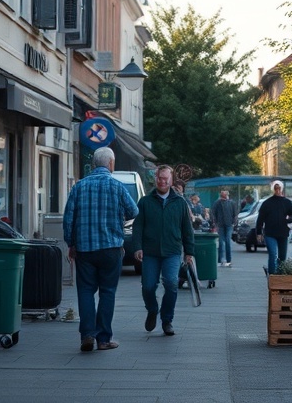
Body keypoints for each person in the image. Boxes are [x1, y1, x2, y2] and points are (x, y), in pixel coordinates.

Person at [61, 146, 138, 352]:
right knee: (107, 292)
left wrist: (71, 244)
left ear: (95, 163)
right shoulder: (117, 187)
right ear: (111, 163)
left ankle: (87, 335)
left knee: (85, 291)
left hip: (85, 249)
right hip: (111, 248)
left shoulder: (79, 187)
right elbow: (133, 211)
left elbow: (68, 218)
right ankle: (104, 339)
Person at [133, 165, 195, 337]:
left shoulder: (180, 203)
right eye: (160, 178)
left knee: (171, 283)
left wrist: (189, 252)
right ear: (156, 179)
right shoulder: (145, 202)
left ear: (171, 180)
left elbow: (186, 229)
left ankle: (167, 320)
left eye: (166, 179)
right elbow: (138, 227)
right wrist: (137, 247)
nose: (162, 182)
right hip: (150, 252)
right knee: (148, 286)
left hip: (172, 251)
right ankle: (152, 309)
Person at [255, 180, 292, 274]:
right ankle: (272, 276)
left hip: (283, 233)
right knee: (273, 254)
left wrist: (288, 219)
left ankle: (281, 276)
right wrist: (258, 233)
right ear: (273, 189)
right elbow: (260, 219)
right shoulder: (267, 203)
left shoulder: (287, 202)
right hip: (270, 233)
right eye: (275, 188)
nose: (277, 190)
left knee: (282, 257)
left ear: (281, 189)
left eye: (279, 188)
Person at [210, 190, 238, 267]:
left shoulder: (231, 203)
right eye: (222, 195)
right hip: (221, 225)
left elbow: (235, 214)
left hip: (228, 225)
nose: (223, 196)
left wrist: (234, 223)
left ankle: (227, 260)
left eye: (224, 195)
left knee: (226, 242)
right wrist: (215, 223)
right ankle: (221, 260)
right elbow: (213, 213)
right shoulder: (218, 203)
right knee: (222, 243)